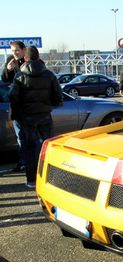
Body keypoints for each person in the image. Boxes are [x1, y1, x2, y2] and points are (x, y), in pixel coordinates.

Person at [9, 46, 63, 188]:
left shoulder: (19, 76)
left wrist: (15, 114)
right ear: (38, 57)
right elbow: (58, 96)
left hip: (27, 117)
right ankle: (49, 177)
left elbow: (13, 97)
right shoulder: (49, 75)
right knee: (48, 146)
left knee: (30, 148)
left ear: (25, 58)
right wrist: (50, 104)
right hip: (45, 115)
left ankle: (31, 180)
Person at [1, 40, 26, 172]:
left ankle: (32, 162)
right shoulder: (11, 60)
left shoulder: (30, 61)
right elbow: (4, 79)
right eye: (12, 51)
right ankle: (23, 163)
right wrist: (7, 69)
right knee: (20, 135)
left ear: (23, 50)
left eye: (16, 50)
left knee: (32, 136)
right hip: (16, 105)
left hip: (29, 105)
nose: (14, 53)